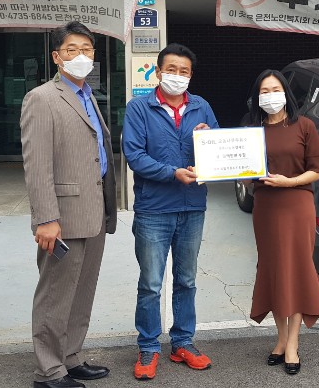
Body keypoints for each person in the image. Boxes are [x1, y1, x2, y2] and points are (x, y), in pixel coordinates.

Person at [21, 21, 117, 388]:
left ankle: (71, 357)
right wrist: (46, 217)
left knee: (81, 291)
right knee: (55, 294)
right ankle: (48, 371)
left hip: (94, 212)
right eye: (72, 49)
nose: (81, 56)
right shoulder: (42, 98)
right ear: (56, 57)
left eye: (87, 49)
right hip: (62, 217)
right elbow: (37, 165)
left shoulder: (87, 95)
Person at [121, 43, 220, 381]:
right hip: (154, 209)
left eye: (184, 71)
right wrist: (171, 173)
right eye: (172, 69)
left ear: (191, 75)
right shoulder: (139, 108)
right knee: (151, 284)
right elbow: (135, 155)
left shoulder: (202, 106)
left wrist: (210, 139)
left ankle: (182, 342)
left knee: (187, 280)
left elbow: (219, 151)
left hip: (192, 207)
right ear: (158, 71)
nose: (178, 76)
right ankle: (148, 346)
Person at [246, 69, 319, 376]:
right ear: (257, 97)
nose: (270, 96)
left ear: (286, 93)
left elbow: (315, 170)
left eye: (275, 89)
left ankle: (293, 343)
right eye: (264, 91)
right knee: (273, 271)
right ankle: (280, 339)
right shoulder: (252, 131)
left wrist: (288, 182)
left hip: (297, 205)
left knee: (296, 270)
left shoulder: (304, 125)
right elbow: (239, 167)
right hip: (266, 208)